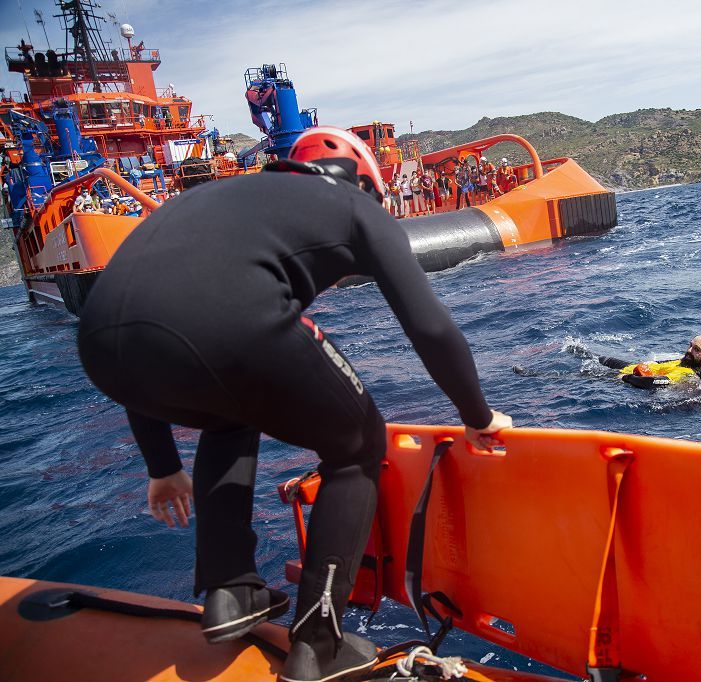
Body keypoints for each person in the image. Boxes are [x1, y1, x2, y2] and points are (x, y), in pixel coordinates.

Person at [76, 126, 512, 682]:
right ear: (363, 182)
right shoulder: (354, 206)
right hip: (227, 326)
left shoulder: (212, 198)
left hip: (99, 344)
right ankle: (318, 640)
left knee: (230, 413)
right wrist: (477, 415)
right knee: (356, 445)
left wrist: (162, 467)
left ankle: (229, 591)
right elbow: (429, 325)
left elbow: (152, 323)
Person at [599, 334, 701, 388]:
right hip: (632, 367)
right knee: (600, 358)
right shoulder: (685, 361)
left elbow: (653, 382)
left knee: (587, 375)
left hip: (626, 376)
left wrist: (626, 377)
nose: (689, 350)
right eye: (690, 345)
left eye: (696, 349)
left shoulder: (687, 373)